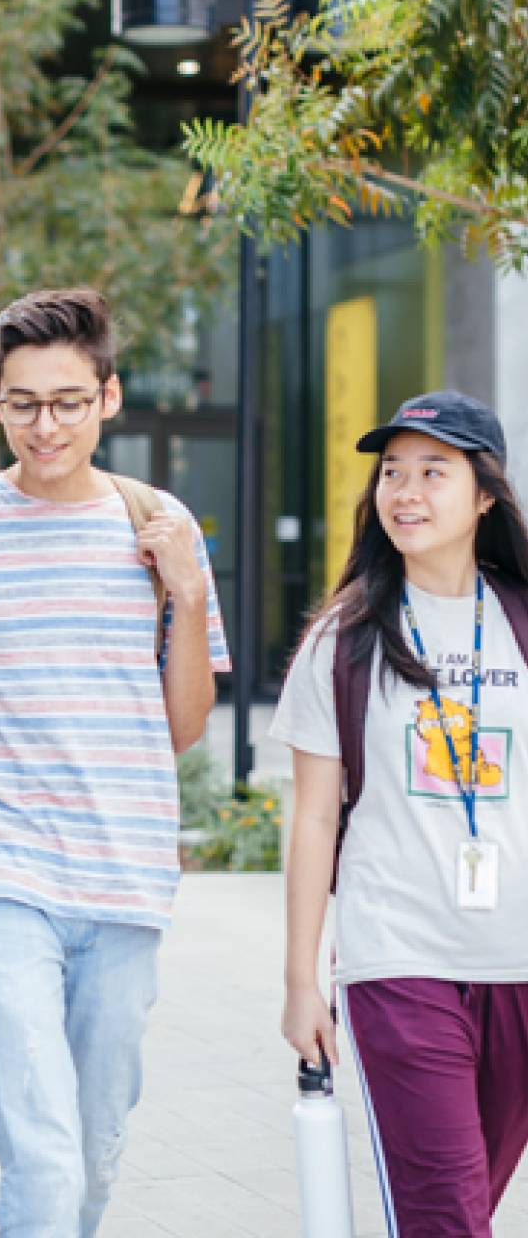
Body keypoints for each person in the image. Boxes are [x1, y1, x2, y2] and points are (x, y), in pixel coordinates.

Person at [0, 287, 229, 1237]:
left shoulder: (164, 527)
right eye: (23, 402)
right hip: (1, 864)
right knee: (42, 1150)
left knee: (93, 1150)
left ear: (108, 399)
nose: (46, 425)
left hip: (127, 875)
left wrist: (186, 598)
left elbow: (183, 727)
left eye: (69, 401)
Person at [274, 391, 528, 1238]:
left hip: (519, 961)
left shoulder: (522, 622)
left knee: (462, 1206)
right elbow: (313, 818)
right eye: (391, 473)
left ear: (485, 493)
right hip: (396, 958)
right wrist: (301, 979)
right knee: (446, 1218)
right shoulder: (344, 638)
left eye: (432, 471)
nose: (405, 492)